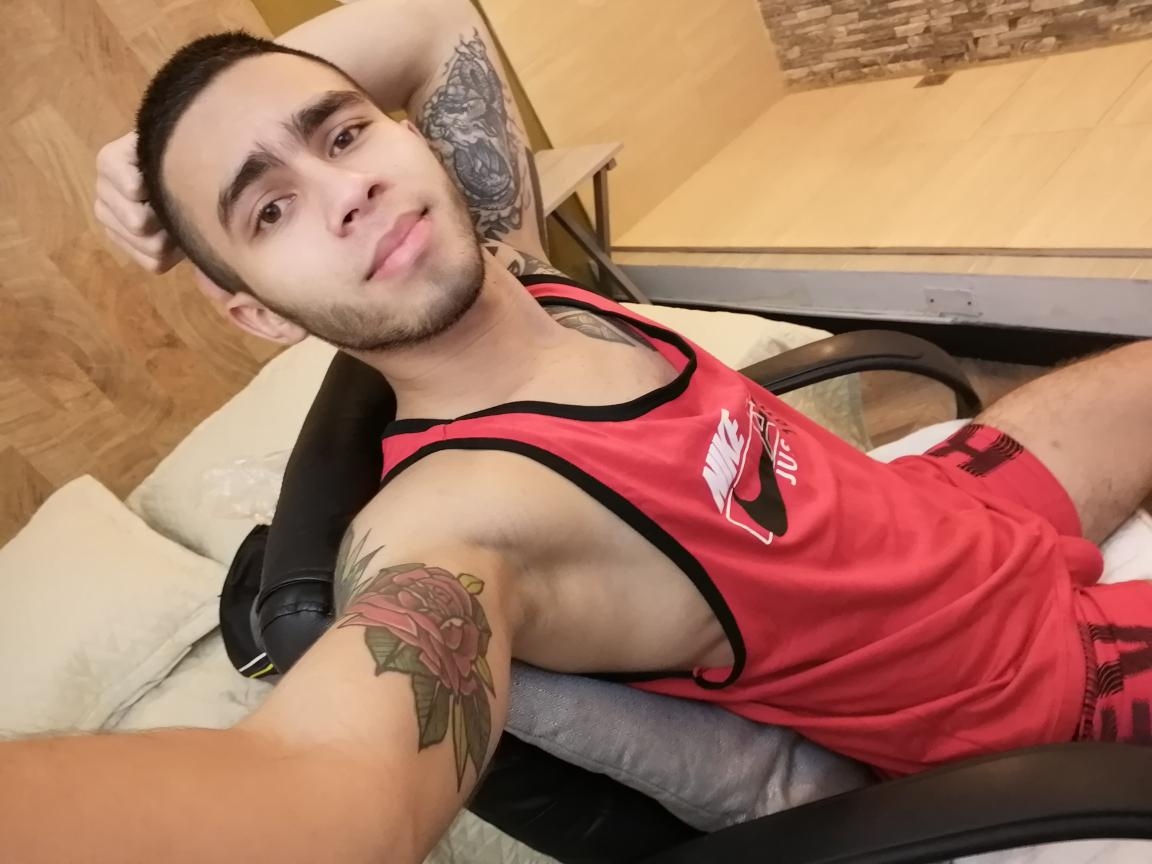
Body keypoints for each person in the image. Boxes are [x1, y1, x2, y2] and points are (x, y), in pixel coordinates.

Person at [5, 0, 1151, 859]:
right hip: (1028, 683)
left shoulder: (520, 271)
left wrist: (165, 153)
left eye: (344, 136)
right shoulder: (469, 514)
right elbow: (318, 796)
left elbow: (433, 21)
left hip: (950, 505)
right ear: (255, 312)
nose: (344, 190)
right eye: (269, 209)